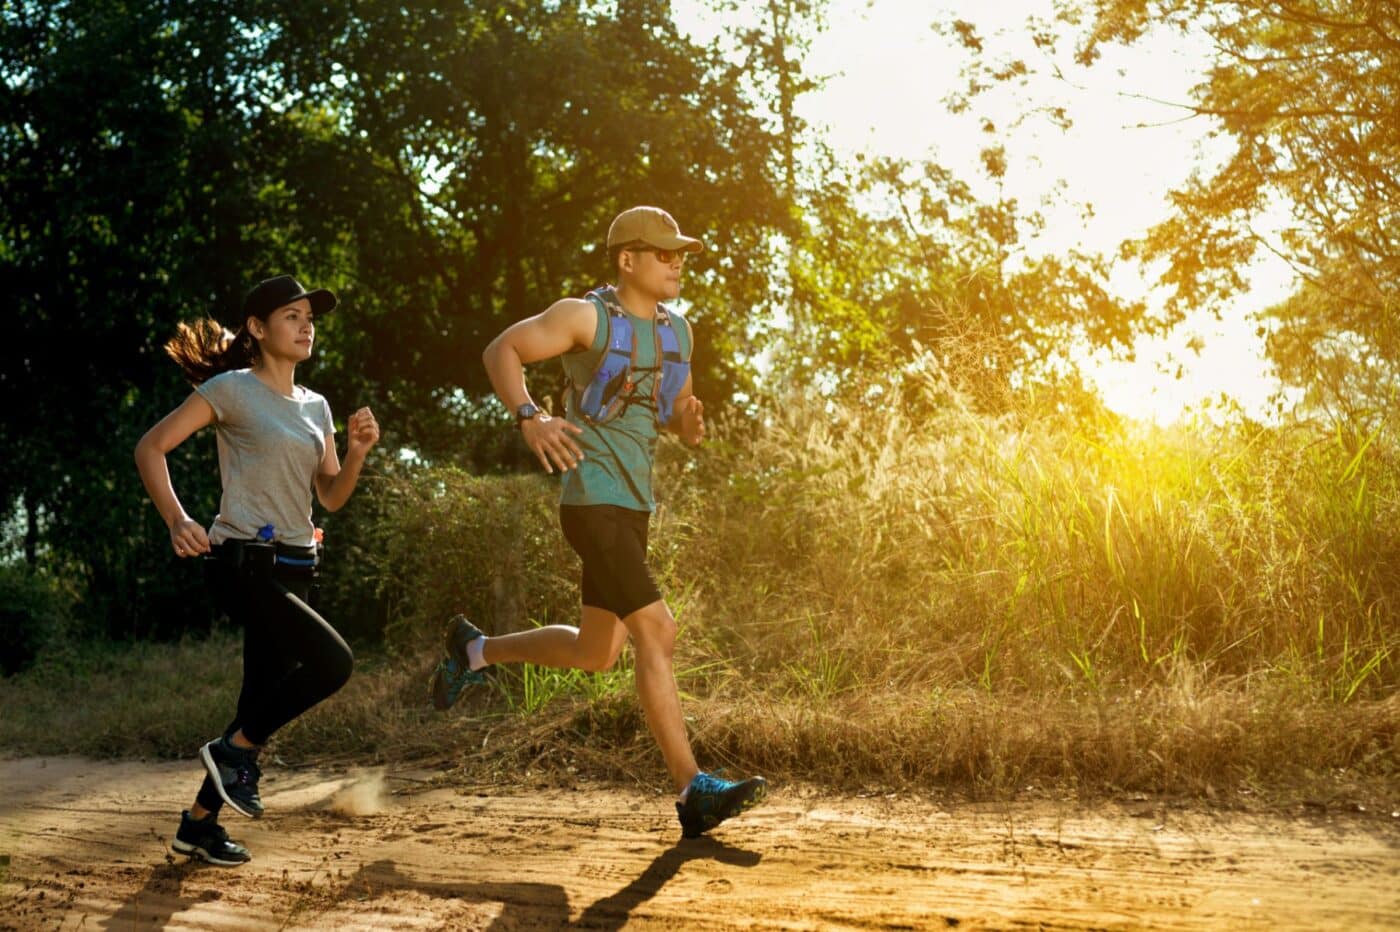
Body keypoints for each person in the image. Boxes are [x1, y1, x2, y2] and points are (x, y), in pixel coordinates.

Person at [430, 206, 767, 838]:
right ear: (627, 259)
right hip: (591, 500)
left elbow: (668, 412)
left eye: (682, 254)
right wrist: (530, 415)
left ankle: (473, 651)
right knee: (656, 630)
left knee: (596, 650)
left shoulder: (677, 333)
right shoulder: (587, 317)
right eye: (664, 253)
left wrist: (686, 426)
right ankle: (693, 788)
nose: (677, 263)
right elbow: (501, 349)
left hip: (634, 505)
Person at [134, 275, 379, 866]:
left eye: (309, 318)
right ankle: (231, 755)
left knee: (258, 701)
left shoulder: (316, 405)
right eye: (292, 316)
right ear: (257, 328)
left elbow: (330, 496)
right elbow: (150, 447)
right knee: (333, 662)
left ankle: (197, 827)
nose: (305, 325)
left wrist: (356, 454)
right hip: (242, 565)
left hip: (296, 567)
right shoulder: (232, 390)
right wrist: (177, 520)